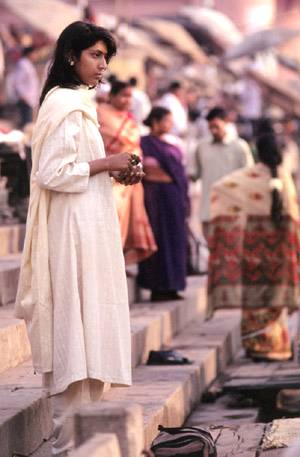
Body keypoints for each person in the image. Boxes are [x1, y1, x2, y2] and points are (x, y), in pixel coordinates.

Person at [15, 21, 144, 457]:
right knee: (73, 330)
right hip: (69, 232)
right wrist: (107, 161)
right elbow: (52, 172)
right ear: (72, 56)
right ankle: (67, 447)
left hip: (89, 226)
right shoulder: (63, 103)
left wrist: (116, 168)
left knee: (89, 332)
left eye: (106, 57)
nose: (103, 65)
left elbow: (81, 167)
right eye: (95, 55)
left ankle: (84, 445)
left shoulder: (81, 102)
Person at [208, 132, 300, 361]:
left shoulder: (248, 176)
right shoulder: (284, 178)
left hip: (254, 247)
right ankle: (276, 346)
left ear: (258, 152)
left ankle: (257, 344)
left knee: (254, 296)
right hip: (280, 250)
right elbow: (294, 217)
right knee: (274, 296)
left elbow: (220, 188)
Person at [97, 80, 157, 264]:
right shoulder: (99, 112)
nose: (127, 101)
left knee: (124, 220)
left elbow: (135, 146)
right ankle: (107, 260)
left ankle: (117, 261)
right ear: (112, 96)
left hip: (129, 178)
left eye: (130, 97)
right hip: (107, 174)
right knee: (112, 216)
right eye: (123, 96)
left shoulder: (129, 118)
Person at [138, 107, 188, 301]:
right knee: (158, 239)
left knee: (175, 241)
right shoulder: (143, 143)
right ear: (156, 122)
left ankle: (173, 286)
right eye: (167, 121)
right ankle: (156, 287)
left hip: (174, 198)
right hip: (154, 198)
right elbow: (147, 170)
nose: (170, 125)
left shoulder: (173, 145)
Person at [193, 106, 253, 239]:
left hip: (232, 210)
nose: (213, 130)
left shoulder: (239, 147)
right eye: (210, 127)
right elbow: (194, 174)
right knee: (210, 248)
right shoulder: (202, 146)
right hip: (208, 209)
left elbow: (249, 177)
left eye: (216, 126)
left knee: (231, 250)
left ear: (226, 122)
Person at [12, 46, 40, 127]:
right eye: (35, 53)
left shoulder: (28, 64)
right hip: (25, 99)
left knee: (29, 124)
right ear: (29, 54)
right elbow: (17, 82)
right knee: (27, 125)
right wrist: (23, 96)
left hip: (30, 99)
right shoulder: (23, 64)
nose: (36, 55)